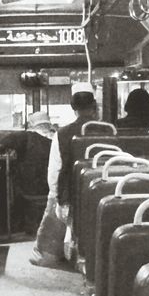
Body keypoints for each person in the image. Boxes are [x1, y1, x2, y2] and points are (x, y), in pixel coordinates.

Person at [30, 89, 97, 266]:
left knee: (53, 215)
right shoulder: (108, 131)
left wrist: (55, 194)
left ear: (73, 107)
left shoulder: (63, 133)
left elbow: (56, 168)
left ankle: (48, 255)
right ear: (94, 107)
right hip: (100, 190)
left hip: (70, 191)